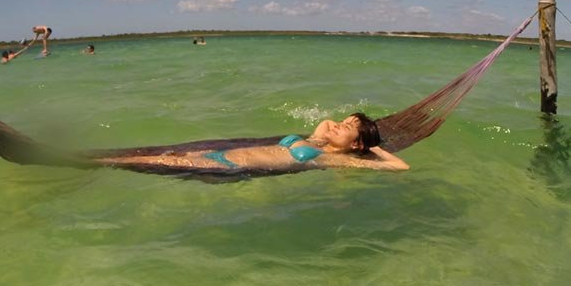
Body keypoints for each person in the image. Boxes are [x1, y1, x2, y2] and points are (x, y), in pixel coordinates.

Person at [99, 113, 409, 172]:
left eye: (346, 129)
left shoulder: (339, 159)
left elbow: (401, 166)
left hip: (232, 165)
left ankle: (90, 162)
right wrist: (346, 129)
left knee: (154, 162)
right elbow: (326, 123)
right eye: (343, 122)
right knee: (163, 155)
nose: (337, 125)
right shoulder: (318, 141)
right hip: (223, 154)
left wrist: (373, 147)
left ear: (357, 146)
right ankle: (92, 160)